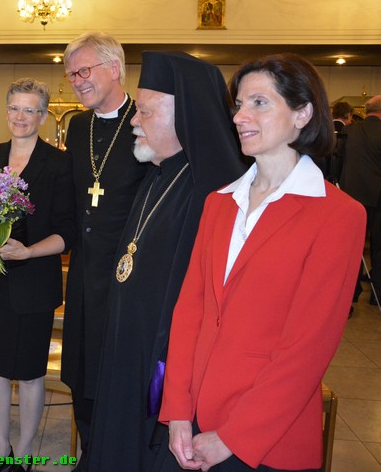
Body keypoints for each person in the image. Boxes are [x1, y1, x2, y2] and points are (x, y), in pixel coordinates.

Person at [158, 54, 366, 472]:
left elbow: (308, 347)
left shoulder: (338, 214)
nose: (239, 116)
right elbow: (190, 311)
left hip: (267, 436)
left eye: (259, 103)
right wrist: (177, 409)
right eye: (239, 104)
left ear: (303, 113)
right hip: (196, 418)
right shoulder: (219, 202)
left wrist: (234, 437)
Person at [86, 51, 244, 472]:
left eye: (145, 112)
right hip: (126, 349)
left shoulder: (211, 193)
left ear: (184, 118)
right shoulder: (157, 175)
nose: (134, 122)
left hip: (162, 370)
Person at [0, 78, 75, 472]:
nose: (21, 117)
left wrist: (27, 250)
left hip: (32, 284)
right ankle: (1, 448)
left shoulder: (59, 164)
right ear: (6, 110)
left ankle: (25, 451)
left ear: (43, 116)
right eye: (15, 108)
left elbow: (67, 232)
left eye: (30, 110)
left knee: (28, 374)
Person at [60, 31, 148, 470]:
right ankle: (89, 450)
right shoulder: (78, 126)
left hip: (129, 275)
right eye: (71, 73)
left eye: (83, 71)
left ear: (114, 68)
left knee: (116, 367)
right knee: (80, 365)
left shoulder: (145, 121)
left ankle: (113, 456)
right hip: (83, 270)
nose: (75, 81)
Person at [340, 95, 381, 305]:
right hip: (379, 199)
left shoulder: (349, 131)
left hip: (352, 197)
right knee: (379, 249)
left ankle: (351, 293)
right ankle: (377, 295)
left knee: (352, 249)